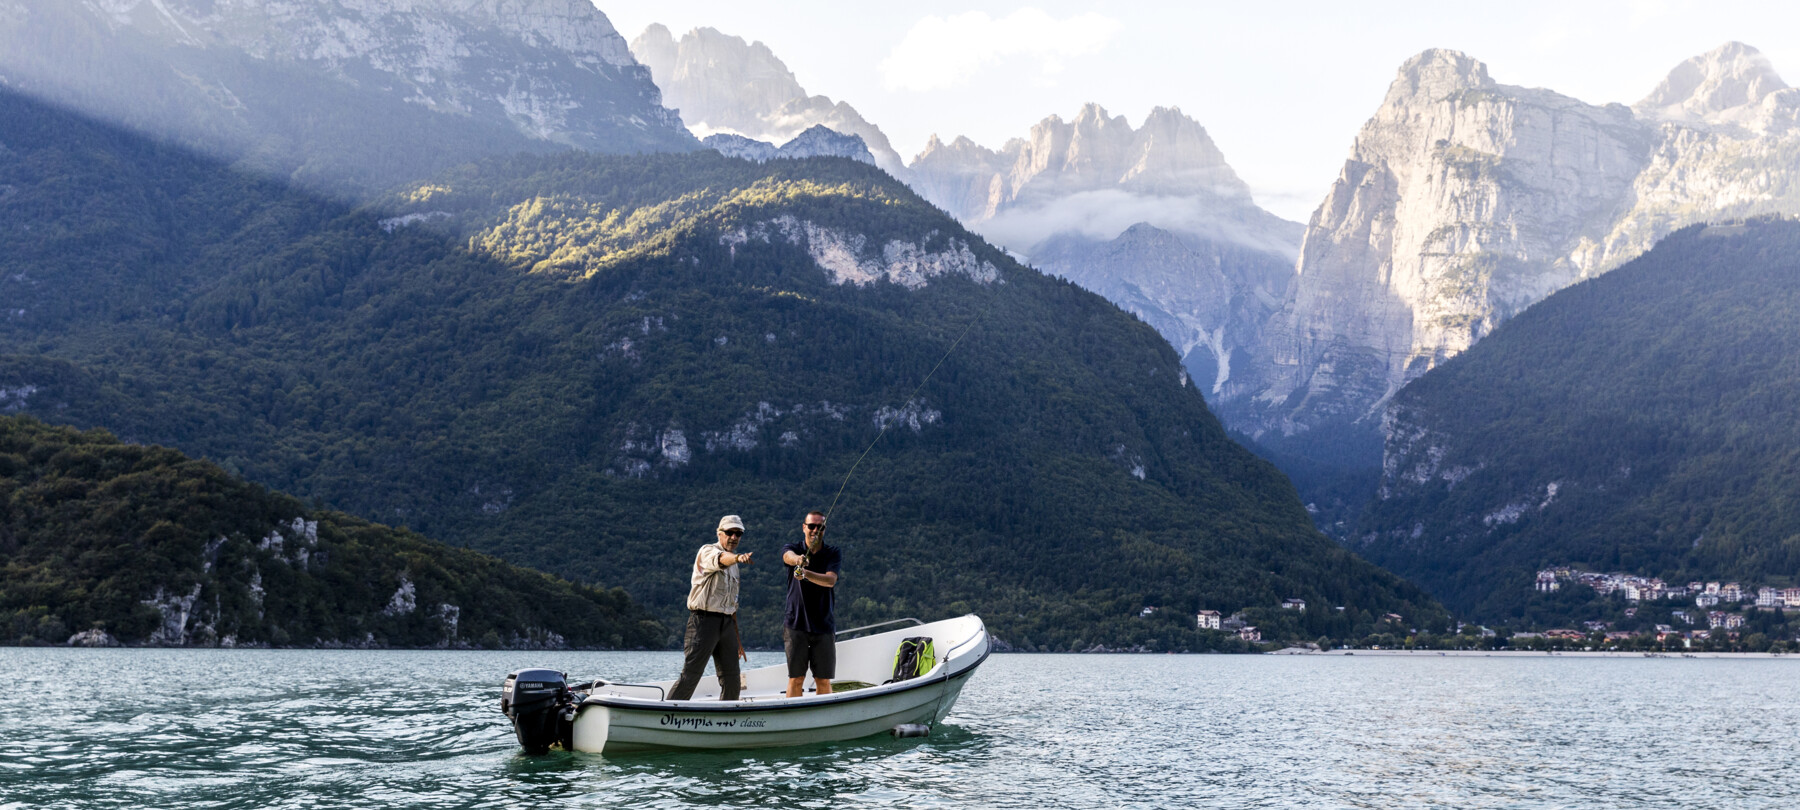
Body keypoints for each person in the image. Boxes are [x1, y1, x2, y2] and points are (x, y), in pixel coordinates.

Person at [669, 515, 755, 701]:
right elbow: (721, 559)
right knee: (691, 674)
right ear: (719, 533)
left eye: (738, 533)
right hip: (703, 621)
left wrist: (737, 639)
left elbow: (732, 605)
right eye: (730, 532)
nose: (734, 537)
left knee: (732, 679)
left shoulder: (735, 567)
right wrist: (738, 557)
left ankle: (727, 718)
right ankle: (668, 713)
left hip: (727, 624)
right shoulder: (707, 551)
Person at [781, 510, 840, 697]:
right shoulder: (793, 548)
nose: (816, 530)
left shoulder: (832, 553)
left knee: (823, 679)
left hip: (823, 625)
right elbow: (787, 556)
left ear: (824, 529)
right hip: (796, 624)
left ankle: (824, 721)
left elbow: (830, 581)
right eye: (812, 526)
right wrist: (798, 560)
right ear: (804, 527)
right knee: (795, 678)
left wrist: (805, 574)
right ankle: (791, 720)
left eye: (820, 527)